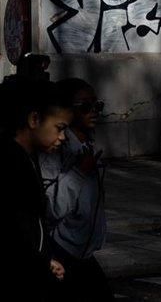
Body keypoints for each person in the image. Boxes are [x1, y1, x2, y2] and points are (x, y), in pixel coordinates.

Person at [0, 75, 72, 300]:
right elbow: (10, 239)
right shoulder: (8, 165)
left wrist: (44, 260)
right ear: (34, 119)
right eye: (59, 128)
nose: (63, 137)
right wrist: (40, 266)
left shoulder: (17, 157)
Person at [39, 79, 112, 301]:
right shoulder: (55, 150)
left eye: (97, 105)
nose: (93, 111)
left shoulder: (87, 146)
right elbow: (49, 208)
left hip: (81, 251)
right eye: (85, 106)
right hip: (61, 250)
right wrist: (79, 173)